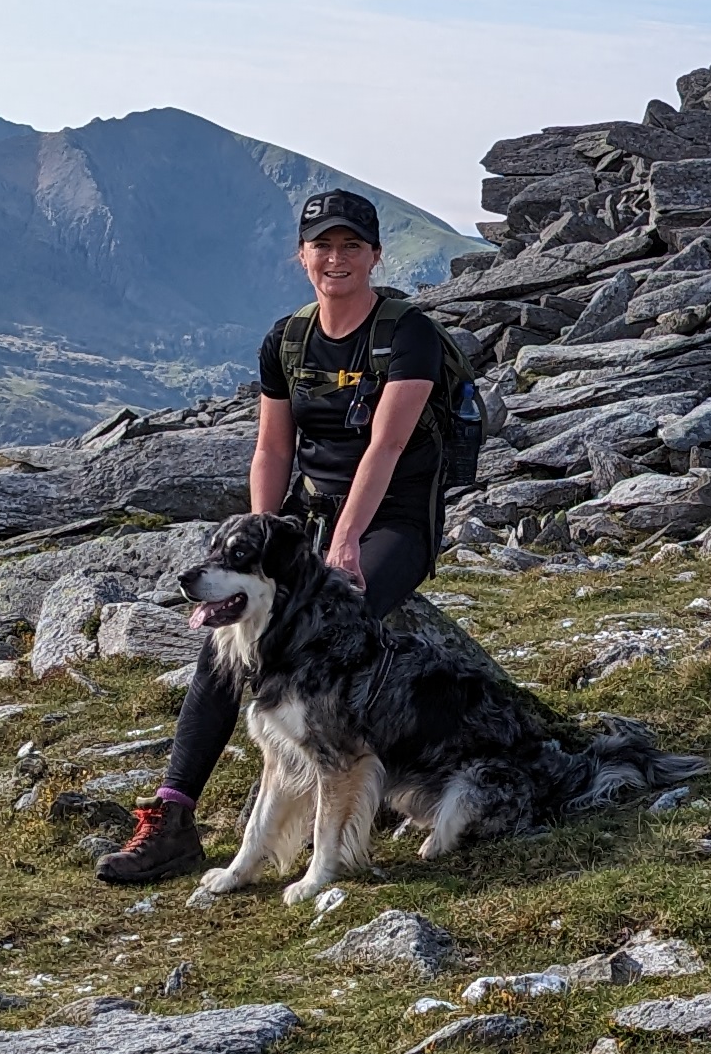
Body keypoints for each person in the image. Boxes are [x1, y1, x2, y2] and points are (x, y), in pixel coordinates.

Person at [95, 185, 455, 886]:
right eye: (323, 245)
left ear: (376, 255)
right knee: (223, 645)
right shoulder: (287, 342)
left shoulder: (407, 334)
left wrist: (345, 546)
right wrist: (257, 544)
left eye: (352, 245)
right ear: (302, 256)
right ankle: (172, 818)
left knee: (326, 633)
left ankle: (344, 784)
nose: (337, 258)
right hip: (306, 518)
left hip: (393, 518)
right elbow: (271, 450)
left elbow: (384, 449)